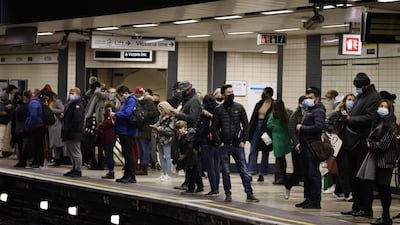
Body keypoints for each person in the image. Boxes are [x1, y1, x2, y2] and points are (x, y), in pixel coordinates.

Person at [340, 72, 381, 217]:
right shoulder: (361, 96)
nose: (356, 89)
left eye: (358, 87)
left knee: (363, 176)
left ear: (364, 85)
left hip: (362, 141)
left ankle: (366, 208)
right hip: (352, 141)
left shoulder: (374, 97)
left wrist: (351, 119)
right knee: (353, 175)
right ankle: (356, 206)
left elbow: (370, 117)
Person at [211, 84, 259, 203]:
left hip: (238, 144)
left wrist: (243, 140)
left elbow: (246, 125)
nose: (231, 94)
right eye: (228, 92)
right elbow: (214, 128)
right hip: (224, 144)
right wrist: (219, 142)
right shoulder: (218, 110)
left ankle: (249, 193)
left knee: (243, 170)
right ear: (223, 95)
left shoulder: (239, 107)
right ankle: (228, 194)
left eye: (232, 92)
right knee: (226, 171)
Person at [361, 99, 398, 225]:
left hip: (385, 162)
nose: (382, 108)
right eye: (380, 106)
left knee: (384, 188)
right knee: (381, 189)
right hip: (377, 160)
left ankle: (386, 217)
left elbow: (383, 146)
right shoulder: (377, 123)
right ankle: (384, 217)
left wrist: (371, 143)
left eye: (385, 107)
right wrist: (373, 143)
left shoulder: (391, 125)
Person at [295, 86, 325, 209]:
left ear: (317, 98)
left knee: (313, 174)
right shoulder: (310, 110)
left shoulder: (318, 111)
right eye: (306, 97)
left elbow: (319, 127)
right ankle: (308, 199)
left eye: (310, 98)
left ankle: (315, 201)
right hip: (305, 146)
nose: (307, 100)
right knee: (307, 174)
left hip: (312, 146)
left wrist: (302, 128)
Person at [171, 81, 202, 190]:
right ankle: (191, 183)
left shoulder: (194, 101)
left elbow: (193, 118)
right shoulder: (188, 100)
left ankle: (192, 184)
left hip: (191, 134)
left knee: (191, 162)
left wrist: (178, 114)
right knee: (190, 162)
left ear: (188, 90)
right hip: (187, 133)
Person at [326, 93, 356, 201]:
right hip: (340, 145)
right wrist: (336, 130)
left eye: (353, 100)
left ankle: (338, 191)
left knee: (347, 169)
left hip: (351, 144)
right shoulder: (337, 114)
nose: (351, 101)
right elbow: (327, 124)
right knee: (344, 168)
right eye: (349, 99)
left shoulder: (355, 114)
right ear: (345, 101)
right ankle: (347, 193)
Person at [109, 85, 138, 183]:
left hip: (127, 131)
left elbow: (127, 113)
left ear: (125, 93)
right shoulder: (127, 100)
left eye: (121, 95)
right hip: (123, 130)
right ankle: (126, 174)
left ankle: (131, 176)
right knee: (126, 153)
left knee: (129, 154)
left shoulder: (131, 100)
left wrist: (115, 114)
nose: (121, 97)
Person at [194, 93, 220, 196]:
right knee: (217, 166)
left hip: (206, 142)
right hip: (217, 142)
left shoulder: (204, 113)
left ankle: (213, 188)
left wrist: (196, 144)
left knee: (210, 167)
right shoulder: (219, 110)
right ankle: (216, 186)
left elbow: (200, 130)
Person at [247, 87, 274, 182]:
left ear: (268, 93)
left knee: (265, 151)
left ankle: (262, 173)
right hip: (257, 126)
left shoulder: (273, 104)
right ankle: (250, 171)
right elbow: (254, 116)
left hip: (267, 129)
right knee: (253, 149)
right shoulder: (259, 103)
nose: (263, 93)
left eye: (264, 92)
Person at [285, 95, 306, 199]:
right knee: (298, 173)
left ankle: (307, 197)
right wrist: (296, 143)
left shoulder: (311, 114)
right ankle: (288, 186)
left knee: (307, 173)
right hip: (297, 147)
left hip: (308, 147)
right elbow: (291, 131)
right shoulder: (295, 115)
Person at [267, 99, 293, 185]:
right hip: (286, 138)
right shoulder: (288, 113)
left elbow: (269, 125)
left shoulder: (273, 115)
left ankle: (282, 177)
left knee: (280, 159)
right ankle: (284, 176)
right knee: (283, 159)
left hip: (277, 139)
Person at [61, 87, 85, 177]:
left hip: (74, 132)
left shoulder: (78, 105)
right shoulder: (70, 104)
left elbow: (77, 119)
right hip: (68, 132)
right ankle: (74, 168)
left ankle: (78, 169)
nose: (71, 95)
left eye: (73, 93)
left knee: (76, 152)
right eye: (70, 93)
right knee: (71, 152)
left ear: (78, 94)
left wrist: (71, 128)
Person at [135, 85, 158, 175]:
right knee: (140, 148)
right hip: (139, 126)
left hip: (146, 127)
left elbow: (154, 113)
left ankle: (144, 168)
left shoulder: (148, 100)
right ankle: (141, 167)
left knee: (145, 148)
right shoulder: (139, 101)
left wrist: (142, 116)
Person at [151, 101, 177, 181]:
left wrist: (160, 129)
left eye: (161, 108)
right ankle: (164, 173)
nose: (160, 110)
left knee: (167, 156)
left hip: (166, 139)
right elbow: (158, 123)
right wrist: (155, 126)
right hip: (159, 137)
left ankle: (168, 174)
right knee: (161, 156)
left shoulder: (172, 117)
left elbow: (171, 129)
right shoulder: (161, 116)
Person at [176, 120, 203, 194]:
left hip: (192, 157)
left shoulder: (189, 136)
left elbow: (190, 148)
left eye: (180, 128)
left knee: (191, 172)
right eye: (178, 129)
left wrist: (184, 155)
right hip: (189, 157)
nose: (179, 131)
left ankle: (191, 187)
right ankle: (199, 186)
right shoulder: (183, 137)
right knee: (194, 172)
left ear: (184, 128)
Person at [99, 101, 117, 179]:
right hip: (108, 137)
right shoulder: (110, 115)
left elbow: (107, 124)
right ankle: (110, 170)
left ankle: (111, 171)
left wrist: (100, 125)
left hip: (108, 137)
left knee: (109, 154)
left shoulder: (110, 116)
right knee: (108, 154)